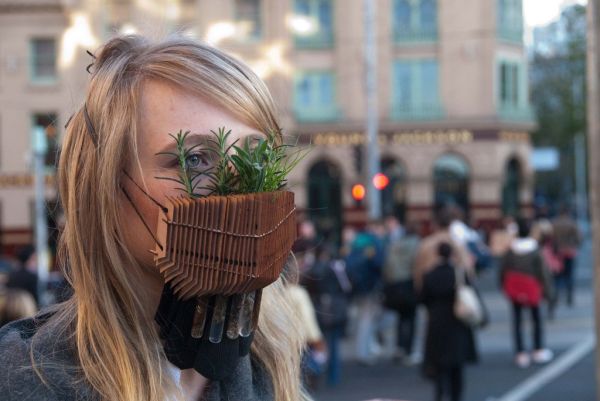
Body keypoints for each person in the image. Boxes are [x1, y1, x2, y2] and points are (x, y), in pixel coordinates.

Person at [0, 35, 308, 401]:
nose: (240, 190)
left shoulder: (271, 361)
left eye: (256, 159)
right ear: (105, 190)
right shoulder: (23, 381)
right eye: (193, 160)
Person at [421, 243, 478, 401]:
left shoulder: (430, 274)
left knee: (439, 367)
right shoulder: (459, 273)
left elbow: (423, 298)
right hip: (457, 321)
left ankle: (439, 395)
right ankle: (457, 396)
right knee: (457, 367)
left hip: (437, 322)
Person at [499, 217, 555, 368]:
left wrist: (503, 286)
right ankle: (538, 348)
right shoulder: (535, 250)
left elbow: (503, 270)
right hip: (532, 288)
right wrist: (548, 292)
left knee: (517, 320)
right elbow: (543, 272)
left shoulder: (510, 250)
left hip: (515, 288)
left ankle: (520, 352)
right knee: (536, 319)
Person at [308, 244, 351, 386]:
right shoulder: (335, 268)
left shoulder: (313, 269)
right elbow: (346, 287)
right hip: (336, 307)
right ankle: (333, 376)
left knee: (319, 343)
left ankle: (318, 371)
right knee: (333, 343)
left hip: (320, 307)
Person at [382, 218, 421, 364]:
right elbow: (417, 264)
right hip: (409, 283)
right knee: (411, 318)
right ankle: (409, 350)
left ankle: (399, 347)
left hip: (394, 284)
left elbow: (387, 264)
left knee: (400, 317)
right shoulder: (416, 243)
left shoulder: (396, 244)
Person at [552, 206, 582, 306]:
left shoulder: (554, 223)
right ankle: (569, 297)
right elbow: (579, 237)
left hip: (557, 252)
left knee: (557, 276)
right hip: (569, 252)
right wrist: (575, 245)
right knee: (569, 275)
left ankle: (555, 296)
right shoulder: (572, 223)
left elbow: (550, 238)